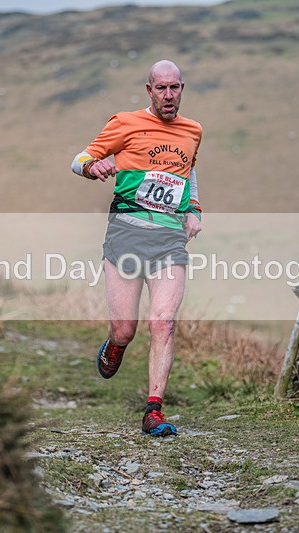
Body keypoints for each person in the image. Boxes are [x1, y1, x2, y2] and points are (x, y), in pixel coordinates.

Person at [70, 59, 203, 436]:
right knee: (126, 329)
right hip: (125, 235)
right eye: (160, 88)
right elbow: (80, 158)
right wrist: (91, 168)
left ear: (182, 89)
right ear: (149, 91)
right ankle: (115, 344)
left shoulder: (193, 131)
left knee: (163, 322)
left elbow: (189, 172)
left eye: (174, 87)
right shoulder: (125, 122)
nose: (168, 95)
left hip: (169, 241)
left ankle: (154, 411)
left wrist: (193, 210)